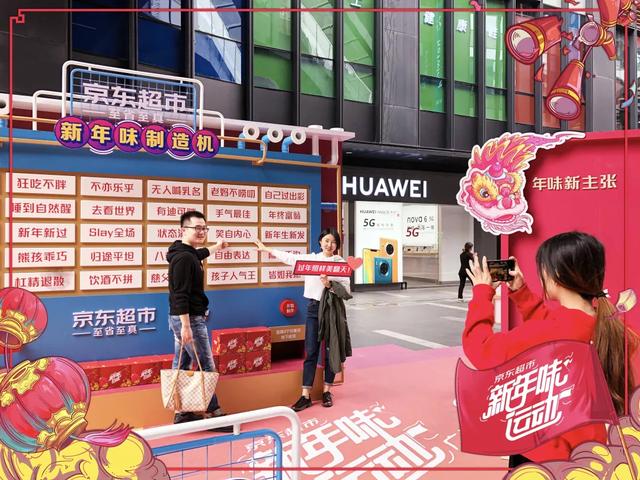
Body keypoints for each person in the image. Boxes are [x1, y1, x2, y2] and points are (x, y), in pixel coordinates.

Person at [463, 231, 637, 467]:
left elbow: (480, 348)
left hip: (545, 458)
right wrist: (521, 292)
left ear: (556, 275)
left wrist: (483, 292)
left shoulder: (553, 332)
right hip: (594, 455)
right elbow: (556, 331)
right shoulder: (613, 328)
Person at [254, 228, 351, 412]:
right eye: (326, 240)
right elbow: (290, 258)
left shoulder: (340, 264)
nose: (329, 245)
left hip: (332, 310)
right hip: (313, 308)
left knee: (331, 350)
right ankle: (305, 395)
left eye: (333, 242)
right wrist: (267, 249)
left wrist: (330, 284)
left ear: (337, 245)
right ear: (320, 242)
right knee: (311, 351)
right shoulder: (310, 260)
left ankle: (327, 391)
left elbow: (347, 292)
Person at [167, 210, 233, 432]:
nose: (202, 231)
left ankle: (181, 412)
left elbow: (200, 253)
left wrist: (217, 247)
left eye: (204, 228)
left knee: (182, 364)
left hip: (183, 319)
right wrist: (186, 327)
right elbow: (180, 295)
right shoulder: (184, 258)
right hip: (190, 320)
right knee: (207, 366)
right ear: (183, 230)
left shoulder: (187, 252)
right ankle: (214, 413)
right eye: (197, 228)